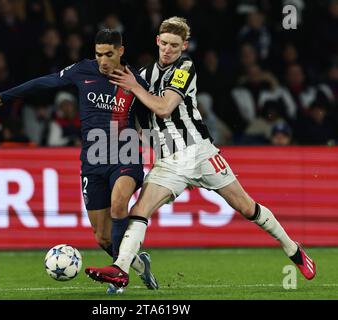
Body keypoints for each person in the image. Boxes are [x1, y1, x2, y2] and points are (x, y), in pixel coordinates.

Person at [85, 17, 316, 288]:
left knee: (245, 206)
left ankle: (293, 249)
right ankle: (120, 269)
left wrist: (134, 88)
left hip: (198, 152)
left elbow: (164, 108)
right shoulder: (143, 75)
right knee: (139, 210)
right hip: (169, 162)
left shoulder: (185, 68)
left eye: (174, 45)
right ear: (157, 41)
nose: (168, 49)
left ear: (184, 46)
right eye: (164, 43)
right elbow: (133, 113)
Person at [0, 29, 158, 293]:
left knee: (119, 205)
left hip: (125, 155)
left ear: (121, 51)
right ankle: (137, 263)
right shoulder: (82, 71)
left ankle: (118, 276)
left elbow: (150, 119)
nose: (103, 61)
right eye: (99, 55)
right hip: (93, 161)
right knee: (102, 236)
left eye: (109, 54)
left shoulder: (135, 80)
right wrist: (2, 97)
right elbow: (43, 82)